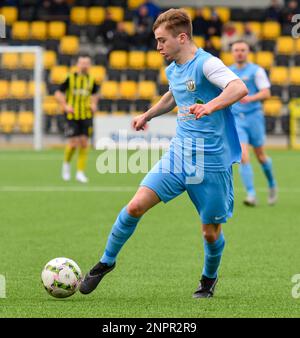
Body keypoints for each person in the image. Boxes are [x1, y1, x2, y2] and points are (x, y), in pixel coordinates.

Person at [79, 9, 247, 298]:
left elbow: (238, 87)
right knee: (134, 206)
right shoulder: (173, 68)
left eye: (161, 41)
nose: (158, 47)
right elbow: (173, 94)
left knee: (210, 233)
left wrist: (211, 106)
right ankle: (105, 262)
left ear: (182, 37)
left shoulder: (207, 64)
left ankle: (208, 279)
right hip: (179, 155)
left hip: (211, 163)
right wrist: (149, 114)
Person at [229, 40, 277, 206]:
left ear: (248, 52)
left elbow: (266, 93)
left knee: (261, 156)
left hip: (254, 117)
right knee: (243, 155)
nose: (239, 53)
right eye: (236, 50)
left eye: (242, 50)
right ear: (232, 52)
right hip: (236, 119)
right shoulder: (228, 72)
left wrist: (251, 98)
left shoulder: (256, 71)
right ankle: (251, 194)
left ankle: (271, 184)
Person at [55, 54, 99, 183]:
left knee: (85, 143)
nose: (84, 65)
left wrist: (94, 104)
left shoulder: (91, 79)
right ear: (78, 64)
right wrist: (65, 105)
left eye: (87, 63)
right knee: (74, 143)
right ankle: (66, 165)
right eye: (82, 63)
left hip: (86, 115)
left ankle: (80, 172)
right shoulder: (70, 78)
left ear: (89, 65)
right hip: (72, 115)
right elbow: (58, 93)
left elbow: (95, 94)